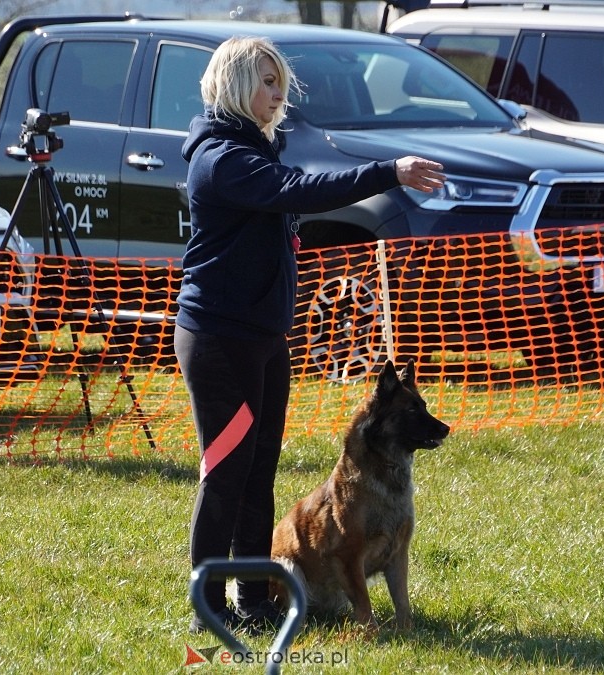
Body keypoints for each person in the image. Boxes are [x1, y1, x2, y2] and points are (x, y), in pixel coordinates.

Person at [177, 35, 445, 633]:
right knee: (225, 476)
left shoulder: (256, 149)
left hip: (265, 338)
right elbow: (298, 191)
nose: (278, 95)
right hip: (221, 341)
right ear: (236, 84)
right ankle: (208, 609)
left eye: (280, 83)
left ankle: (253, 597)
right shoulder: (221, 156)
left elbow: (295, 188)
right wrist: (388, 172)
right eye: (267, 83)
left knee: (258, 471)